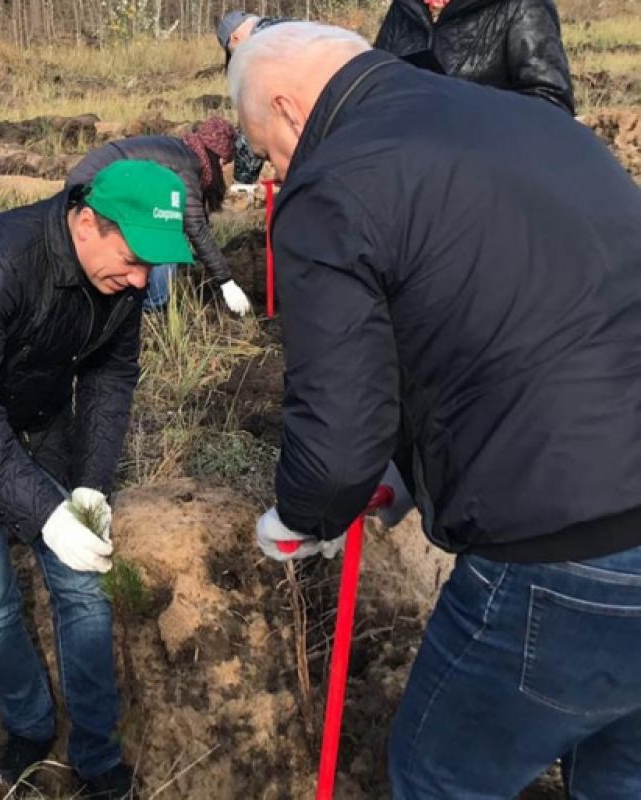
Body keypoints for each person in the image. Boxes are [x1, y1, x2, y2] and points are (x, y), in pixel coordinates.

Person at [229, 21, 641, 797]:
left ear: (287, 110)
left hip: (564, 552)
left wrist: (304, 515)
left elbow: (336, 438)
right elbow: (515, 315)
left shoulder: (332, 184)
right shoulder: (534, 124)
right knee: (619, 777)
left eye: (271, 150)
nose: (280, 169)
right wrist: (407, 472)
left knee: (440, 775)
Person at [0, 160, 194, 800]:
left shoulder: (124, 283)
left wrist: (88, 485)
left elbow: (111, 379)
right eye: (134, 259)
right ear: (87, 222)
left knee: (81, 587)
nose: (141, 280)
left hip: (42, 423)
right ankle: (28, 726)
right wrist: (45, 516)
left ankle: (97, 753)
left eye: (152, 267)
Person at [65, 117, 252, 314]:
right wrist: (226, 282)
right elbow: (195, 226)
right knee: (165, 236)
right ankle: (152, 305)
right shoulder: (187, 167)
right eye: (224, 163)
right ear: (219, 157)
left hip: (88, 177)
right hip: (95, 184)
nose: (222, 170)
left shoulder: (182, 151)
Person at [375, 0, 575, 114]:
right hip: (407, 167)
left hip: (480, 172)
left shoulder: (522, 5)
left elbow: (552, 106)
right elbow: (376, 83)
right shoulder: (404, 8)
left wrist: (469, 116)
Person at [215, 10, 292, 189]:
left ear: (234, 38)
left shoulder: (258, 51)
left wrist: (242, 182)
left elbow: (256, 122)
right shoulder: (291, 27)